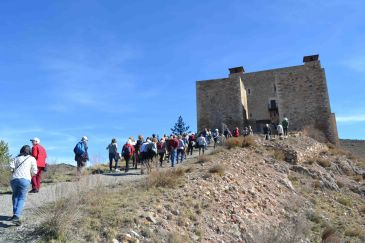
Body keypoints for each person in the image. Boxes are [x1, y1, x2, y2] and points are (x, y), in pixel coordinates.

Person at [9, 145, 37, 226]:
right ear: (30, 151)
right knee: (21, 198)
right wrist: (30, 176)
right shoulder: (32, 159)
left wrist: (14, 173)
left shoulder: (16, 158)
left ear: (21, 150)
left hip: (14, 179)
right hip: (25, 179)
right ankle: (16, 216)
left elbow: (11, 167)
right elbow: (34, 171)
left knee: (15, 197)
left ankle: (15, 215)